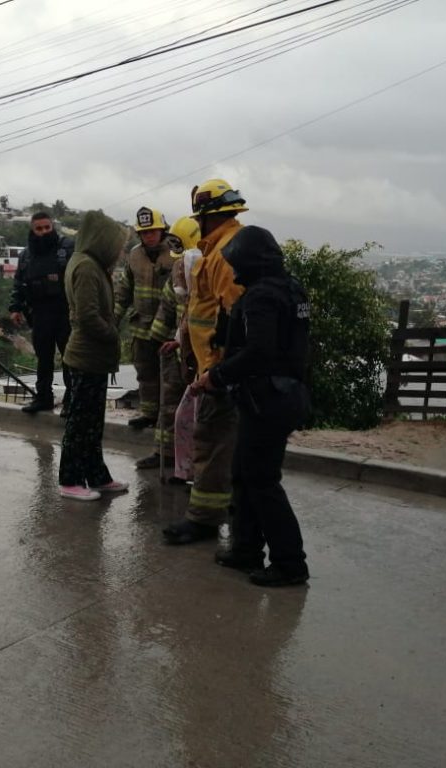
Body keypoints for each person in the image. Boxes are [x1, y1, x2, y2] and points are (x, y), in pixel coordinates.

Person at [192, 225, 311, 586]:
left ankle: (290, 563)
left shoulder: (261, 297)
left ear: (251, 262)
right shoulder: (290, 289)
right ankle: (246, 548)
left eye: (237, 263)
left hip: (267, 400)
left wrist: (216, 376)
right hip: (280, 395)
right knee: (244, 473)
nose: (234, 270)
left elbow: (258, 352)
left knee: (261, 480)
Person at [162, 180, 246, 545]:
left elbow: (233, 319)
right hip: (210, 364)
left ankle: (203, 520)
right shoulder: (220, 250)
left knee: (211, 441)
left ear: (209, 218)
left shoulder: (225, 255)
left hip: (218, 368)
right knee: (218, 440)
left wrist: (217, 370)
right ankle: (219, 511)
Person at [58, 210, 130, 502]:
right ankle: (70, 480)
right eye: (115, 244)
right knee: (80, 423)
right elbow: (88, 316)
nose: (118, 251)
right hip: (86, 357)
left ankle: (97, 476)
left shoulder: (92, 264)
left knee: (92, 424)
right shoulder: (86, 267)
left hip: (93, 358)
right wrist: (113, 334)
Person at [114, 206, 175, 465]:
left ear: (162, 230)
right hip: (140, 327)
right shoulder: (134, 256)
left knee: (168, 380)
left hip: (167, 330)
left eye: (153, 231)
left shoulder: (175, 254)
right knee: (145, 374)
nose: (149, 236)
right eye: (144, 232)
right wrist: (112, 320)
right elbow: (124, 291)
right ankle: (149, 414)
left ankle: (163, 421)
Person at [150, 216, 202, 483]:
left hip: (207, 358)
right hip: (183, 351)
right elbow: (172, 307)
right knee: (177, 410)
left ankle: (195, 473)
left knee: (197, 416)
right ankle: (178, 466)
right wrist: (164, 339)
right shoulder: (180, 269)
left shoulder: (209, 271)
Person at [9, 212, 75, 415]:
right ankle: (43, 398)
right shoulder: (26, 255)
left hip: (65, 312)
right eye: (39, 229)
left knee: (70, 359)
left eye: (47, 227)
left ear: (52, 226)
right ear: (32, 229)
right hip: (39, 313)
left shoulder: (67, 249)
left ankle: (70, 401)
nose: (44, 232)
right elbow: (19, 283)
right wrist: (15, 307)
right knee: (43, 359)